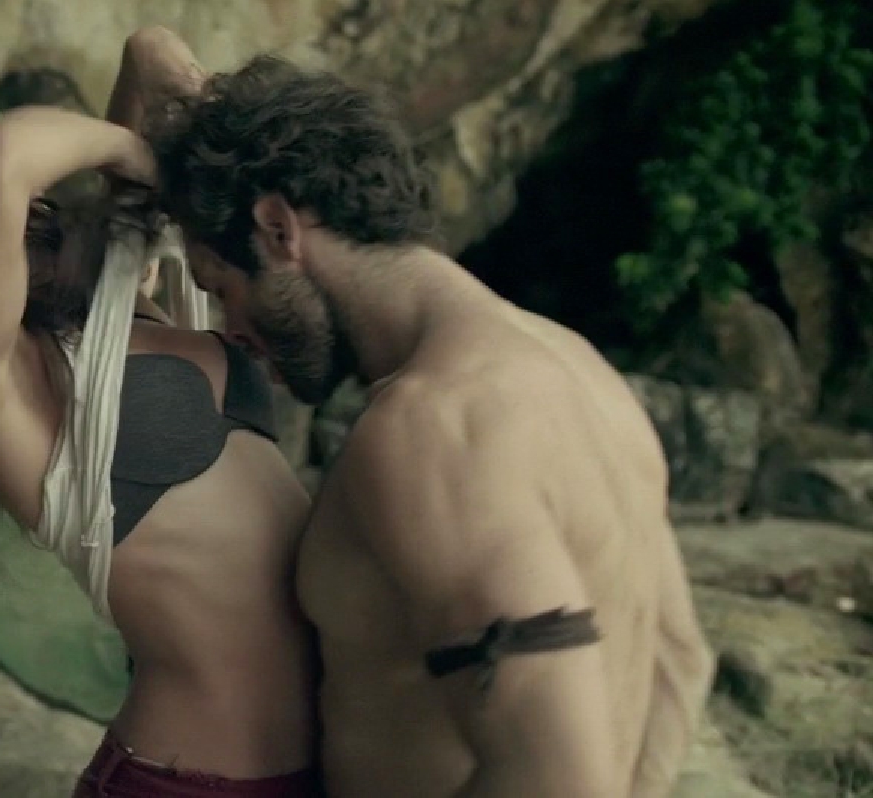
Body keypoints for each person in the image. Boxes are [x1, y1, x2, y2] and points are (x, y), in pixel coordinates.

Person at [148, 56, 716, 797]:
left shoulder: (432, 427)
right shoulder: (579, 369)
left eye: (222, 288)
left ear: (278, 229)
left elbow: (557, 778)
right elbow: (679, 661)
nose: (231, 328)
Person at [0, 30, 323, 798]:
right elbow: (4, 154)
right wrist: (138, 154)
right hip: (184, 783)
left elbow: (145, 57)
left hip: (325, 764)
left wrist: (152, 60)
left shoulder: (112, 312)